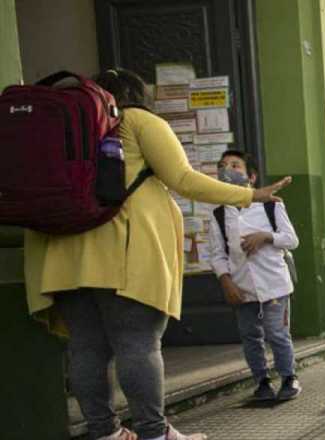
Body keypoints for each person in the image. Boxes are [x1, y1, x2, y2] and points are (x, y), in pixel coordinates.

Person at [23, 68, 290, 440]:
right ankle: (153, 433)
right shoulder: (136, 120)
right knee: (138, 342)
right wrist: (250, 195)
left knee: (86, 348)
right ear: (136, 95)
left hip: (60, 252)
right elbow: (182, 178)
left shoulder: (60, 130)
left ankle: (106, 433)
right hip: (121, 253)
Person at [208, 150, 301, 402]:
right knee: (251, 336)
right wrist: (226, 282)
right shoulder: (218, 214)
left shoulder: (270, 205)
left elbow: (292, 240)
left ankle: (289, 377)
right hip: (242, 286)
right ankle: (261, 381)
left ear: (251, 176)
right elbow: (217, 254)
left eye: (235, 166)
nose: (227, 170)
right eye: (222, 165)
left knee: (277, 333)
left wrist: (266, 237)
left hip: (274, 284)